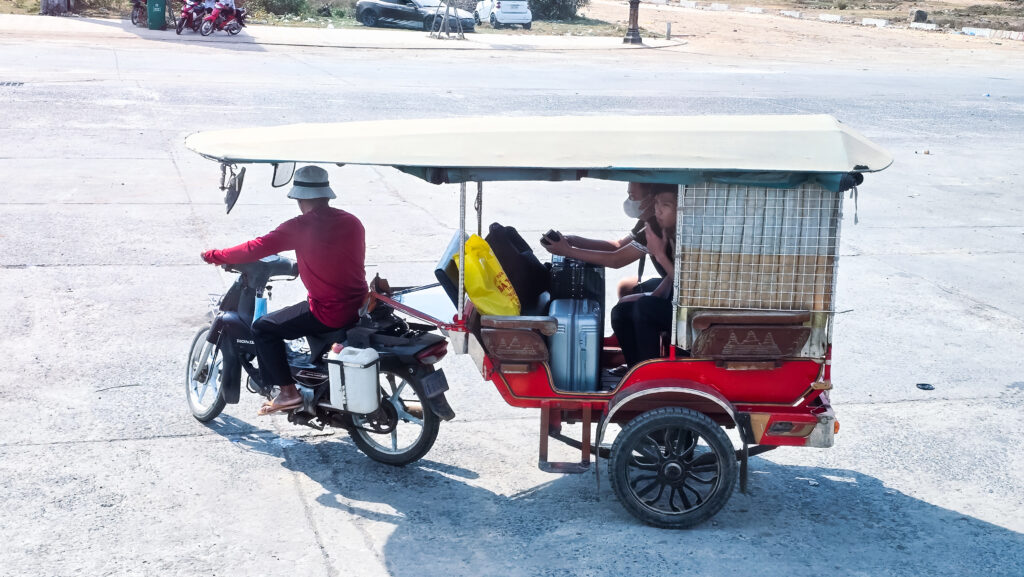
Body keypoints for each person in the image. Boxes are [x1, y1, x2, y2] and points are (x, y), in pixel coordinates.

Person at [200, 165, 366, 415]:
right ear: (327, 194)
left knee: (263, 327)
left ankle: (288, 393)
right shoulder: (352, 222)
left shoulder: (300, 227)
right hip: (360, 304)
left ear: (299, 198)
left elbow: (255, 248)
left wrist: (216, 256)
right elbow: (339, 256)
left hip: (329, 311)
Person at [540, 182, 677, 299]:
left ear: (651, 199)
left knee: (626, 305)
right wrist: (574, 241)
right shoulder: (646, 221)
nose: (629, 202)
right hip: (670, 280)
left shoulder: (657, 225)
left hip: (676, 285)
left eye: (632, 197)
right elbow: (617, 246)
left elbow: (616, 260)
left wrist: (568, 251)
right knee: (626, 288)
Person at [609, 186, 679, 368]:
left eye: (666, 205)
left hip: (690, 310)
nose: (658, 210)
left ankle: (651, 371)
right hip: (675, 297)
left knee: (645, 308)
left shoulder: (690, 236)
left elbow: (686, 286)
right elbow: (671, 280)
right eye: (657, 203)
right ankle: (635, 368)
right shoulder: (662, 228)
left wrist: (660, 255)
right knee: (621, 311)